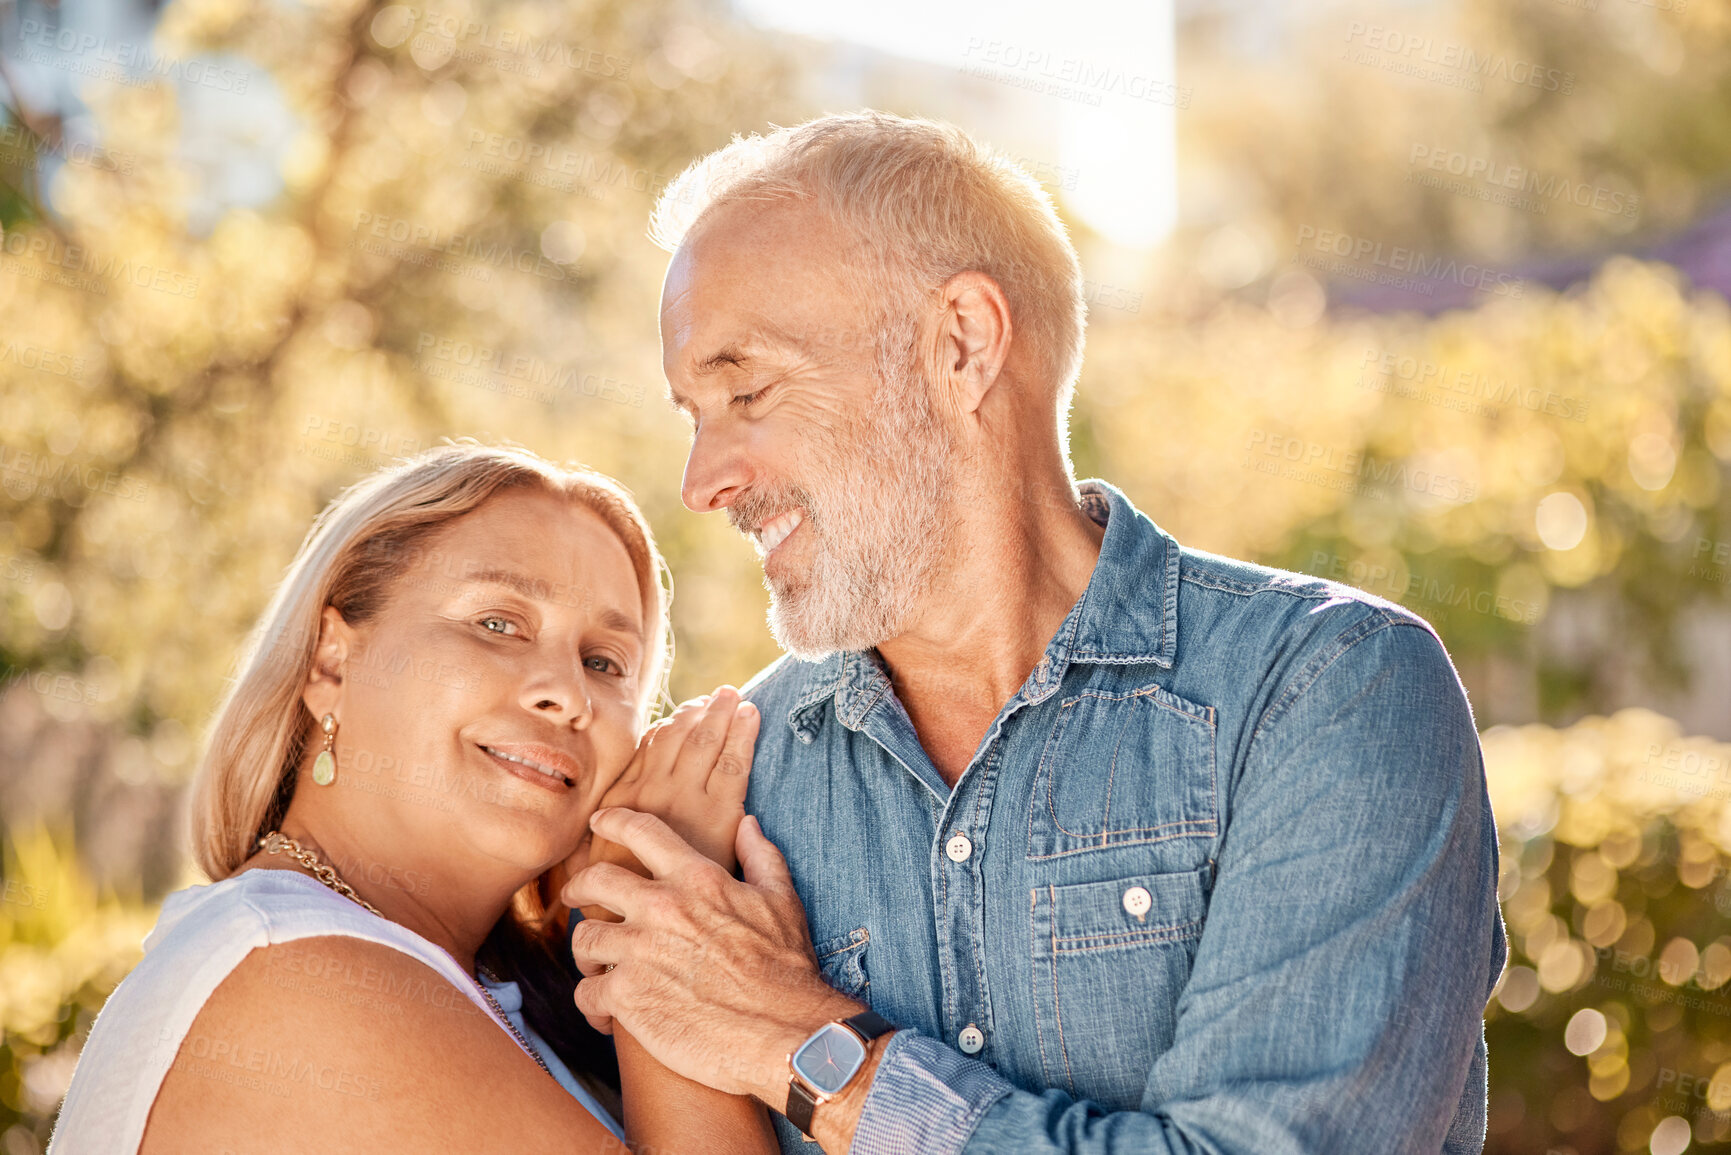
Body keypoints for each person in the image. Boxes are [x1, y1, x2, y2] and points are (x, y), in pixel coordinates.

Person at [561, 111, 1509, 1154]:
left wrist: (803, 1041)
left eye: (748, 390)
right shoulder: (724, 793)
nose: (704, 483)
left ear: (961, 344)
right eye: (694, 416)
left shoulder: (1329, 692)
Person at [49, 442, 779, 1155]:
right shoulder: (294, 971)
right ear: (331, 660)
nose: (566, 691)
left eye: (604, 661)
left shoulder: (471, 983)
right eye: (497, 623)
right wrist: (656, 912)